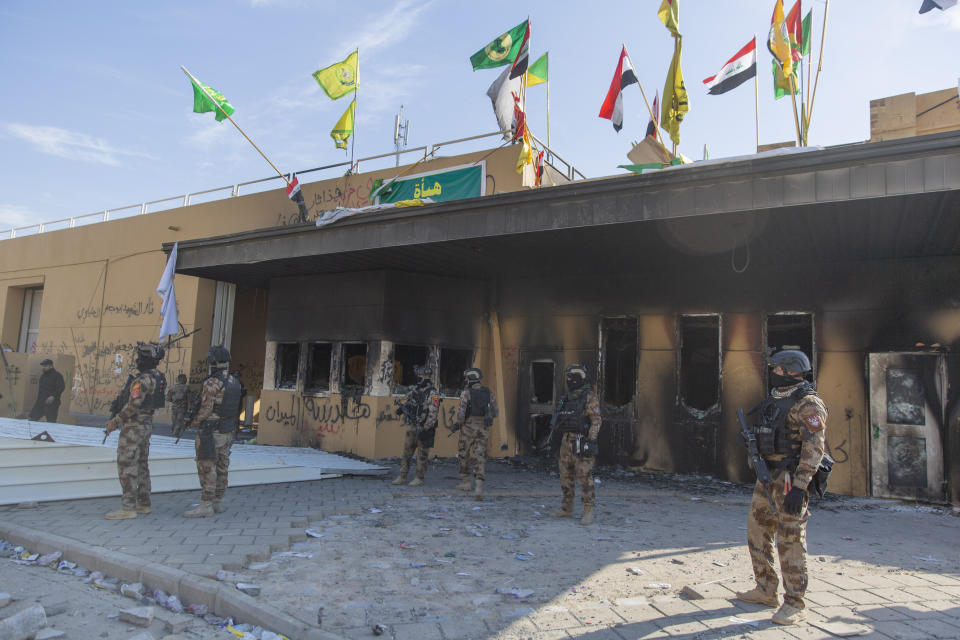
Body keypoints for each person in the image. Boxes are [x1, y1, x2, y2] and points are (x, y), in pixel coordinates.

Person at [736, 349, 828, 626]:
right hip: (767, 477)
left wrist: (801, 486)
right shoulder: (776, 399)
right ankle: (765, 589)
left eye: (776, 369)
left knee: (790, 538)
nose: (772, 373)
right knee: (757, 530)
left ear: (789, 371)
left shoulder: (808, 403)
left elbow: (815, 447)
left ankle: (795, 602)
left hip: (790, 480)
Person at [103, 343, 164, 520]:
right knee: (142, 466)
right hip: (146, 426)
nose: (137, 360)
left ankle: (128, 507)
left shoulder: (142, 380)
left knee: (127, 466)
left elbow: (133, 406)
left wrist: (115, 421)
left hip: (133, 428)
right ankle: (144, 503)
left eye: (139, 357)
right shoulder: (157, 377)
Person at [182, 345, 243, 518]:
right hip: (228, 430)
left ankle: (205, 505)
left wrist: (191, 422)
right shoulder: (234, 381)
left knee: (207, 466)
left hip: (211, 431)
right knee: (223, 466)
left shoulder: (212, 382)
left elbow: (206, 409)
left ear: (212, 361)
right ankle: (217, 502)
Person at [550, 364, 602, 525]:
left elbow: (596, 421)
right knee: (565, 476)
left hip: (582, 440)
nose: (569, 381)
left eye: (572, 377)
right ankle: (567, 508)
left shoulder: (589, 397)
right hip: (566, 441)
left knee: (585, 476)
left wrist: (590, 440)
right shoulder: (567, 397)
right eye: (567, 377)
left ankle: (588, 510)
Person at [454, 367, 499, 501]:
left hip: (469, 426)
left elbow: (461, 415)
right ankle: (479, 487)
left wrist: (459, 423)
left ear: (469, 379)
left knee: (464, 452)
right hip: (483, 426)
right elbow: (495, 412)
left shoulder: (466, 393)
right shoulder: (488, 392)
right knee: (480, 455)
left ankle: (466, 482)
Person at [392, 364, 440, 487]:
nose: (418, 378)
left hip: (424, 427)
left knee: (422, 454)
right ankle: (402, 476)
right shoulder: (416, 390)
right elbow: (408, 400)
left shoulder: (433, 393)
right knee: (406, 451)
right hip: (412, 425)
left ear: (426, 377)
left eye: (420, 375)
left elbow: (433, 413)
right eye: (417, 375)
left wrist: (426, 427)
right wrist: (402, 408)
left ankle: (419, 478)